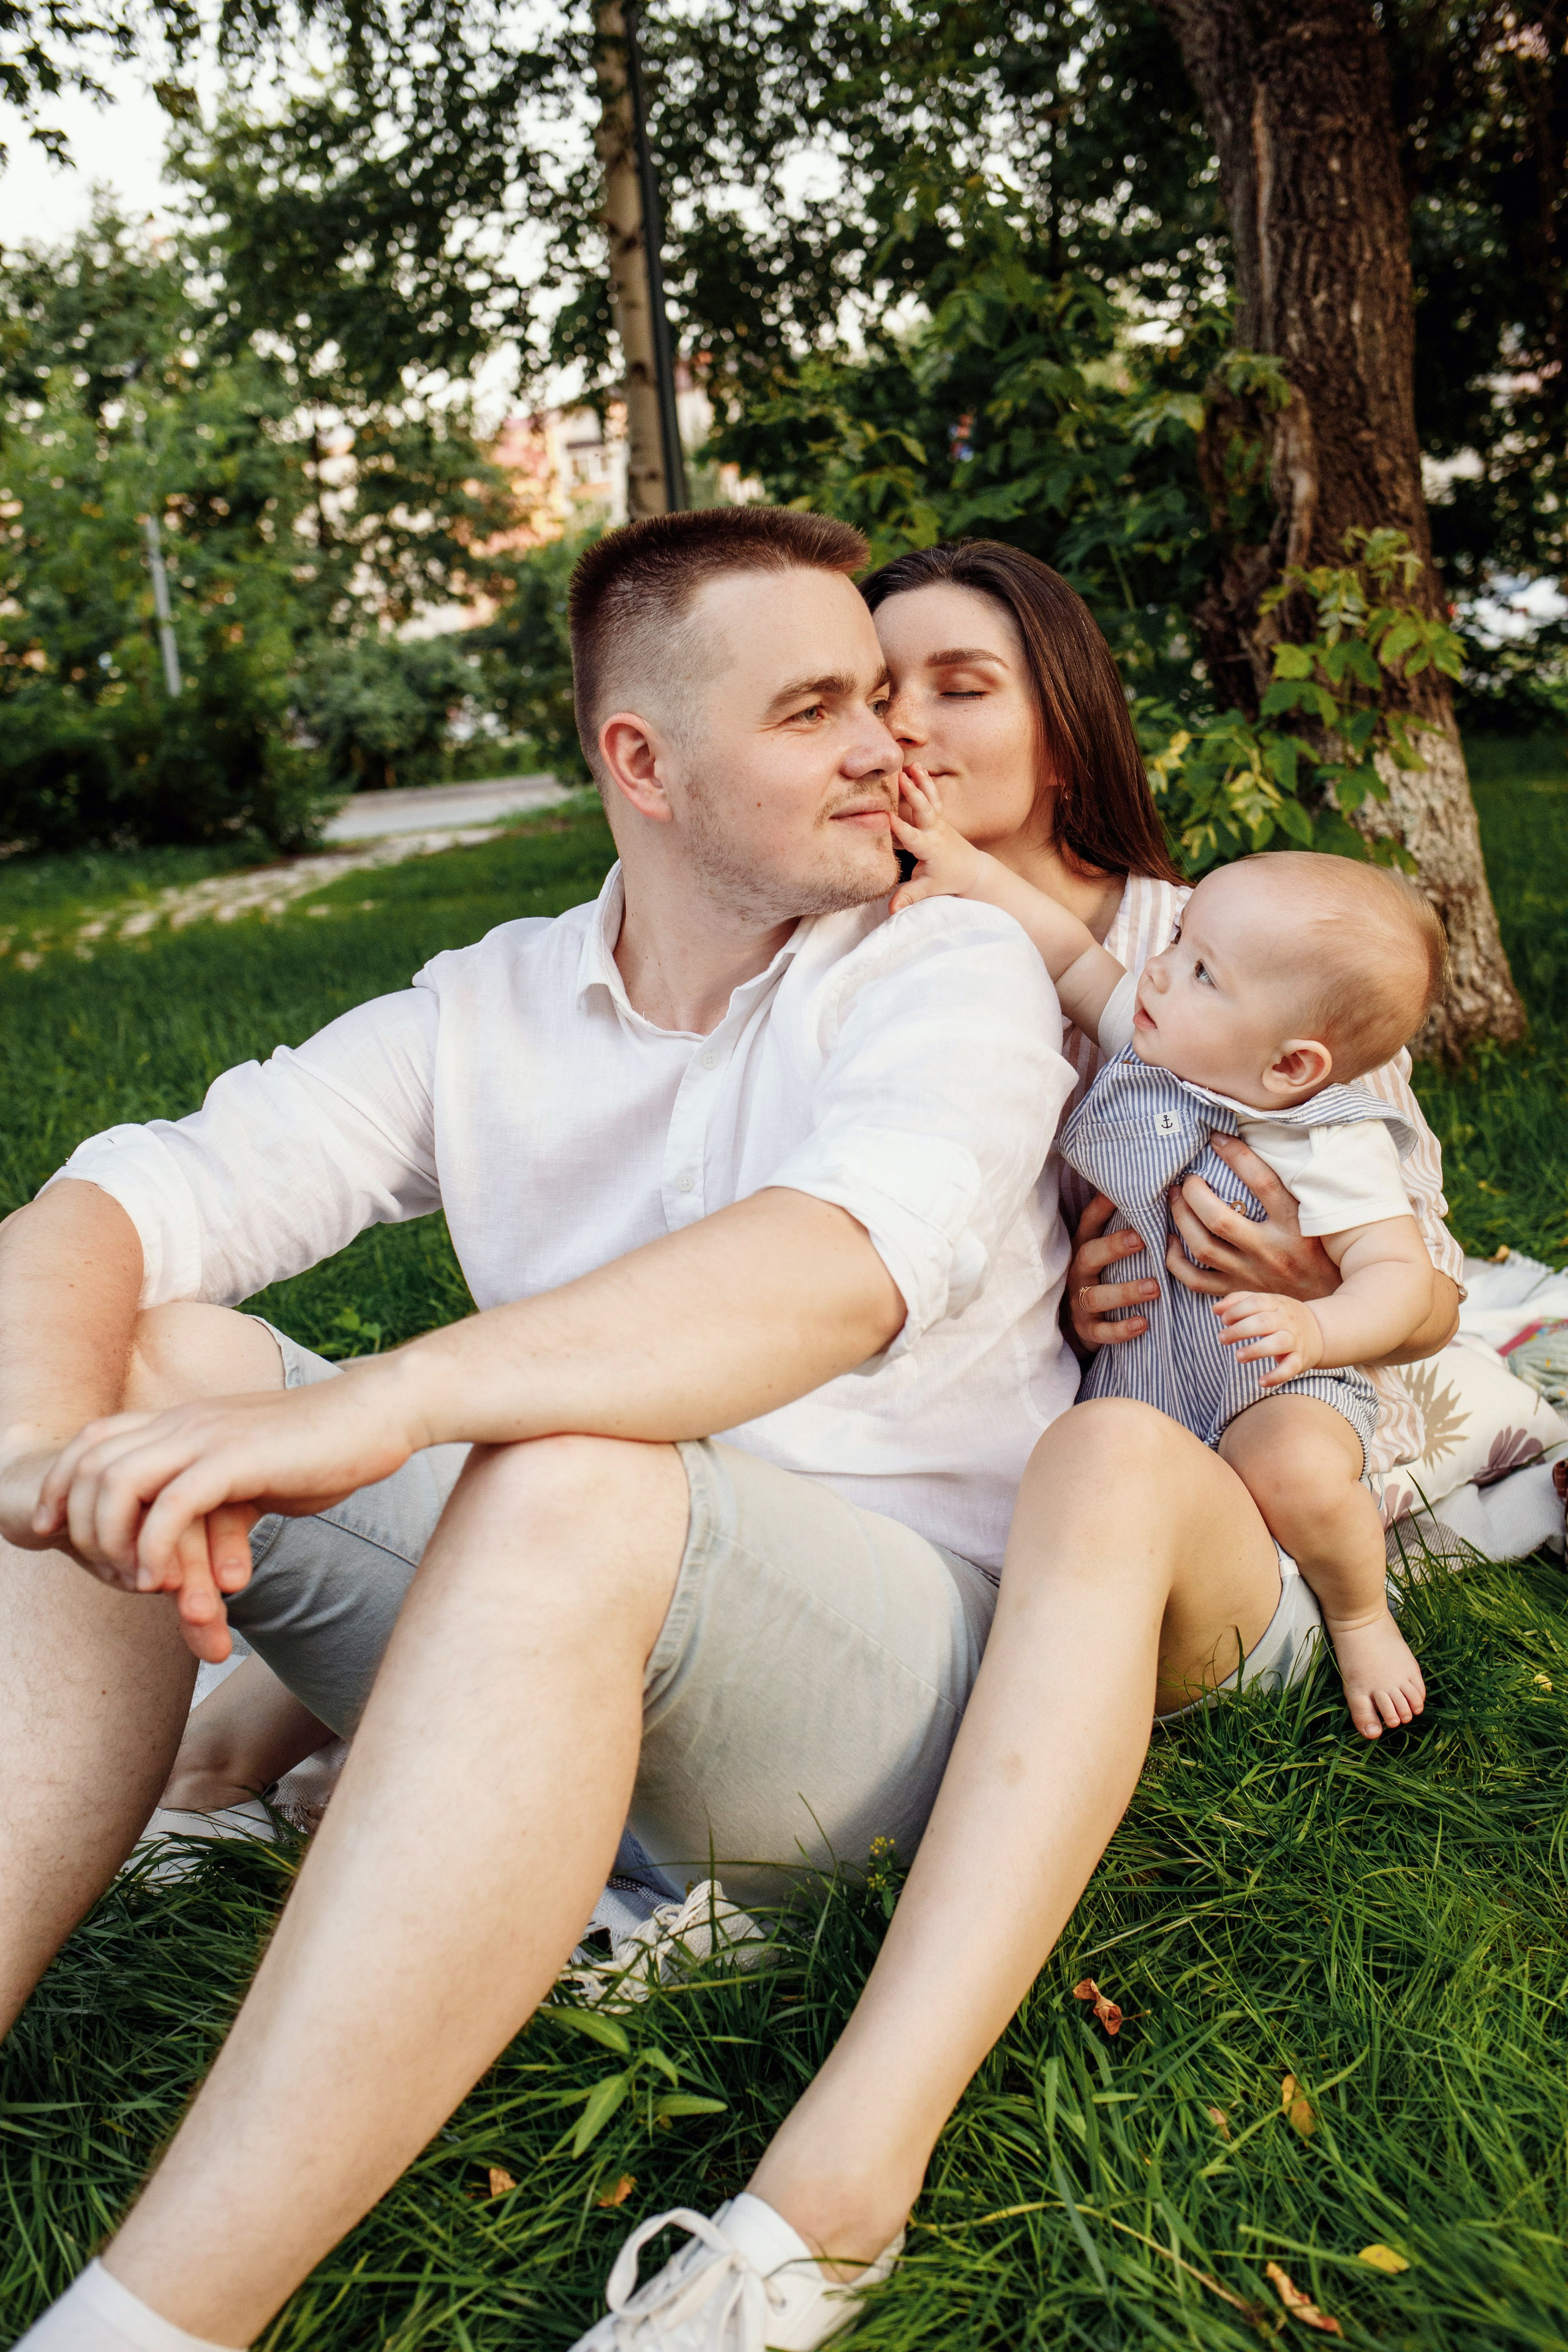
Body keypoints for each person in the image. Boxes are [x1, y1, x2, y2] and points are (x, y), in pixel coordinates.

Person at [0, 516, 1459, 2352]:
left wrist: (398, 1393)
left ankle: (144, 2327)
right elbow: (121, 1195)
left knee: (573, 1468)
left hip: (896, 1686)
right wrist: (44, 1450)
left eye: (895, 695)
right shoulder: (493, 1002)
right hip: (566, 1634)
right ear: (644, 764)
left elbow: (839, 1269)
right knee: (152, 1358)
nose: (886, 748)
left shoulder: (946, 969)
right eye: (818, 708)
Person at [888, 769, 1442, 1737]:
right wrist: (967, 867)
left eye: (1200, 971)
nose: (1156, 969)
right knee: (1076, 1500)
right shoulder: (1151, 1050)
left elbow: (1401, 1279)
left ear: (1292, 1066)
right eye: (1178, 944)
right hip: (1142, 1378)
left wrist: (1316, 1324)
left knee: (1302, 1476)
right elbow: (1068, 953)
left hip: (1274, 1383)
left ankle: (1359, 1614)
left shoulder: (1331, 1139)